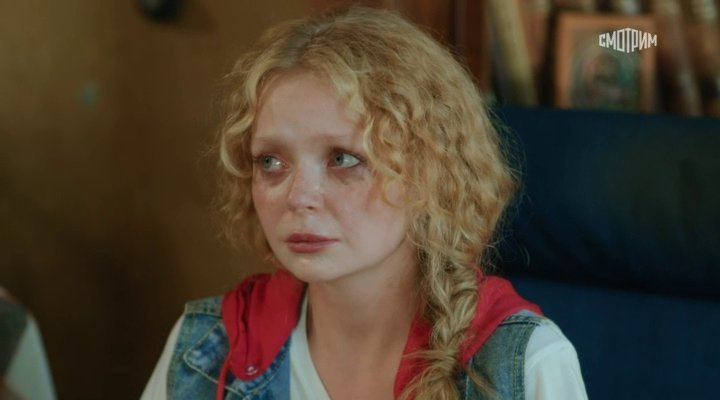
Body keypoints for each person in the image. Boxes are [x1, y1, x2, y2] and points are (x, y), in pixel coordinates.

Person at [141, 6, 587, 400]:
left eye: (343, 159)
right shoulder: (204, 349)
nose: (298, 197)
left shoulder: (524, 364)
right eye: (271, 162)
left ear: (432, 172)